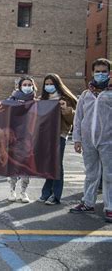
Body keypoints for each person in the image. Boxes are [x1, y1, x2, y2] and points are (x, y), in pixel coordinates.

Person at [70, 58, 112, 223]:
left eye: (103, 71)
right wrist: (77, 139)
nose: (100, 74)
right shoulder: (86, 95)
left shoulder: (109, 94)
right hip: (88, 141)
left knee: (109, 175)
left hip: (108, 141)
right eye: (97, 71)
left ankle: (109, 207)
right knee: (91, 173)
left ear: (109, 73)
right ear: (92, 73)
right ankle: (88, 202)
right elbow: (78, 118)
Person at [38, 74, 76, 205]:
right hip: (45, 136)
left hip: (59, 135)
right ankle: (46, 192)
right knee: (49, 165)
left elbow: (73, 120)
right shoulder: (42, 99)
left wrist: (66, 109)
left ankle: (56, 195)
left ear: (57, 84)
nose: (49, 86)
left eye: (51, 84)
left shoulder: (65, 99)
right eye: (46, 84)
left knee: (57, 165)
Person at [6, 76, 38, 203]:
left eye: (29, 84)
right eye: (24, 84)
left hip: (30, 137)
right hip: (14, 137)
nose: (27, 86)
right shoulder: (11, 100)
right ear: (20, 86)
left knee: (26, 165)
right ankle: (12, 190)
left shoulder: (36, 101)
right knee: (13, 164)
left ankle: (23, 192)